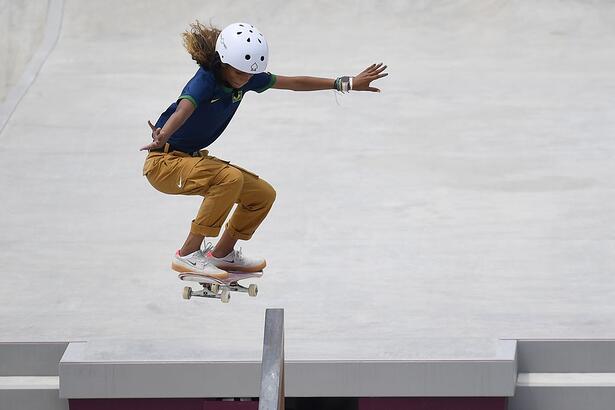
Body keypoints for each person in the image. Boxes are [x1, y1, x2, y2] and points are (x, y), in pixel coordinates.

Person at [141, 21, 388, 279]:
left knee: (261, 194)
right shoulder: (205, 81)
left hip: (190, 161)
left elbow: (294, 82)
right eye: (240, 74)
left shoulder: (244, 77)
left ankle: (223, 255)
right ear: (223, 63)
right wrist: (164, 134)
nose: (245, 80)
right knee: (229, 179)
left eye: (250, 74)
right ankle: (188, 255)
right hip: (164, 164)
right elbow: (184, 108)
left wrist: (344, 83)